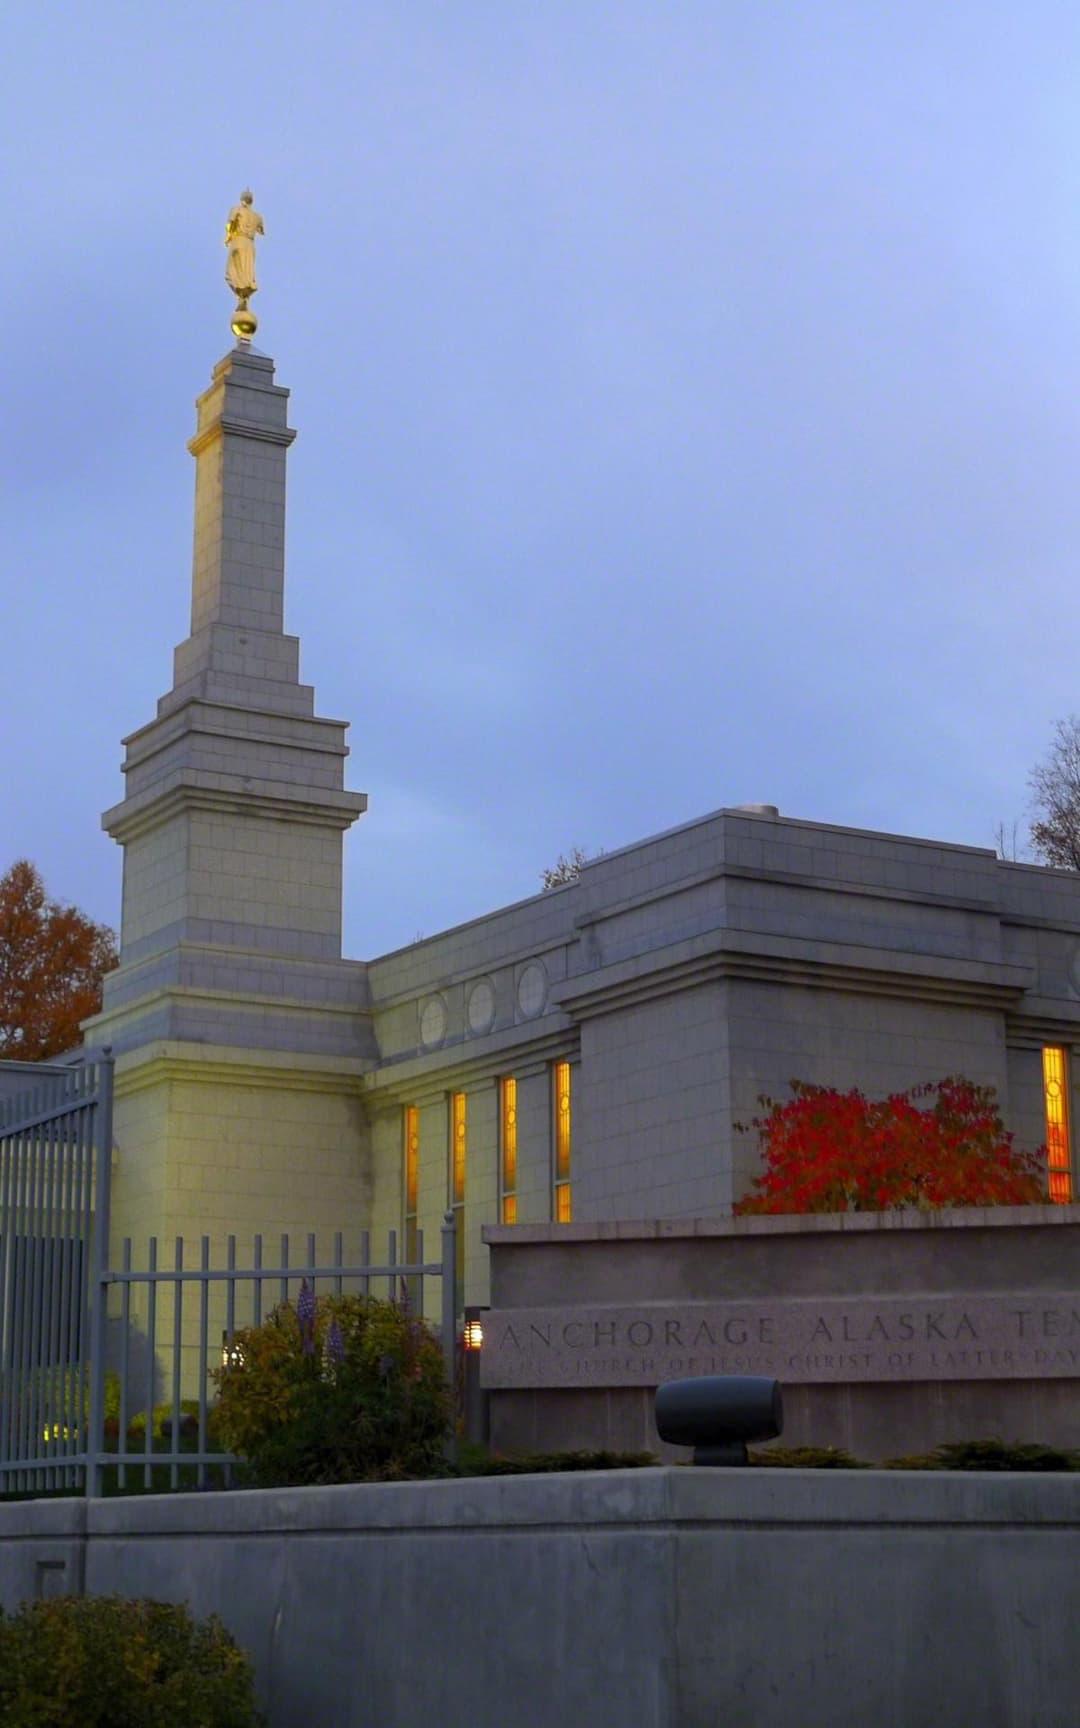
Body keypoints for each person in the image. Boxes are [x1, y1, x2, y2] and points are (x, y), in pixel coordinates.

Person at [224, 190, 264, 301]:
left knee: (230, 272)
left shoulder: (236, 210)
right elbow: (261, 230)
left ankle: (241, 295)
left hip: (238, 240)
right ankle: (245, 294)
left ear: (241, 200)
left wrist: (227, 237)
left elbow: (230, 224)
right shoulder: (258, 216)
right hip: (250, 244)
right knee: (247, 270)